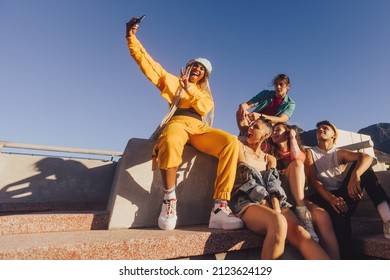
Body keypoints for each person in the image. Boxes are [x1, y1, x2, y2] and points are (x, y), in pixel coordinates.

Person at [126, 18, 243, 231]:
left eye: (201, 68)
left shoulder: (206, 95)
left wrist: (188, 88)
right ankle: (169, 199)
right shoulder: (171, 81)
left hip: (199, 128)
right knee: (169, 140)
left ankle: (219, 208)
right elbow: (148, 63)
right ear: (188, 67)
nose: (197, 68)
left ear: (205, 76)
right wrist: (131, 37)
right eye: (194, 65)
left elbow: (203, 109)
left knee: (231, 143)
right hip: (177, 122)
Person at [229, 117, 330, 260]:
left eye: (255, 127)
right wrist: (270, 208)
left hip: (274, 201)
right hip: (247, 201)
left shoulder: (270, 159)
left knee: (301, 232)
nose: (250, 128)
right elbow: (249, 182)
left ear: (265, 135)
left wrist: (276, 207)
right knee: (278, 221)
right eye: (250, 126)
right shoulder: (240, 148)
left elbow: (273, 184)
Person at [305, 120, 390, 259]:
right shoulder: (310, 152)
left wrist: (355, 176)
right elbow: (314, 180)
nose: (320, 130)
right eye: (318, 129)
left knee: (364, 169)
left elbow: (367, 157)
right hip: (322, 196)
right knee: (340, 215)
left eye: (325, 128)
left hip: (342, 194)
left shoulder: (338, 153)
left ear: (334, 135)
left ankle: (387, 219)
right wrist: (331, 198)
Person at [270, 122, 340, 259]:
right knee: (296, 165)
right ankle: (302, 212)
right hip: (281, 197)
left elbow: (296, 158)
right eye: (272, 131)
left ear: (288, 132)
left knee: (322, 216)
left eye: (278, 130)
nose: (274, 133)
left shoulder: (301, 151)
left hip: (298, 197)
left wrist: (292, 138)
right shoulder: (268, 150)